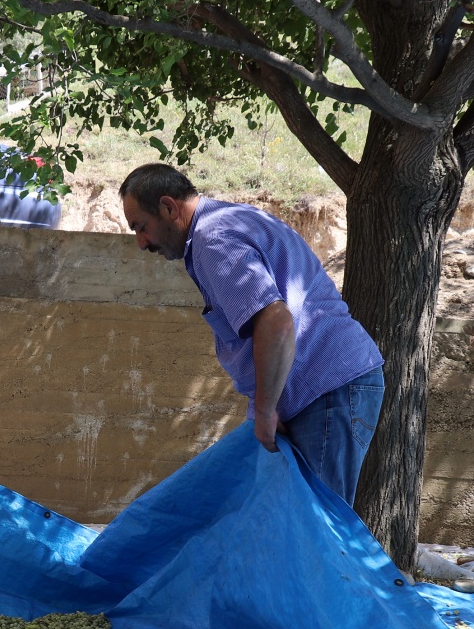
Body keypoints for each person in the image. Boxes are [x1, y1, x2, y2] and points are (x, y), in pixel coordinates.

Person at [119, 163, 384, 506]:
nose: (141, 243)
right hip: (331, 387)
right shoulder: (230, 221)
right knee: (292, 525)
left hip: (325, 391)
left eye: (141, 227)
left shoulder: (213, 241)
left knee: (315, 532)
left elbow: (275, 322)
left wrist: (265, 411)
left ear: (169, 208)